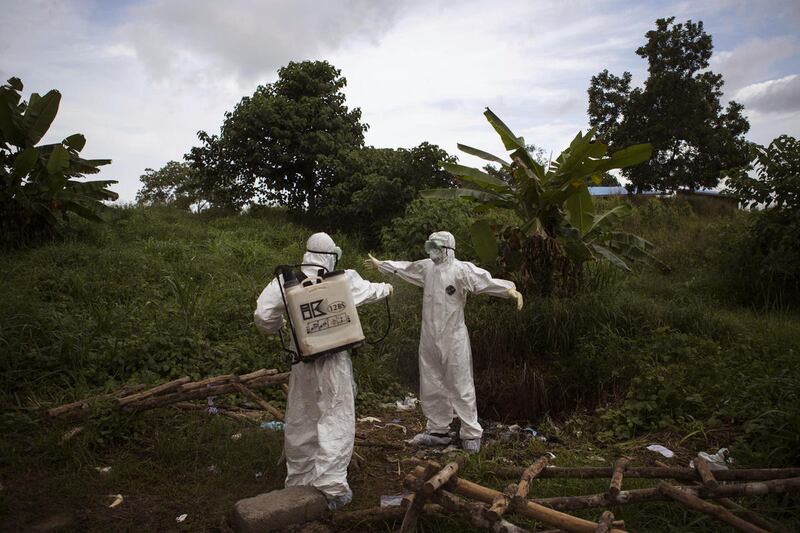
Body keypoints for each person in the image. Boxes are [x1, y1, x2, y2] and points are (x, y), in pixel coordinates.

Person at [254, 232, 392, 510]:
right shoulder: (343, 279)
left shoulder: (285, 280)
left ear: (307, 252)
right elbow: (371, 291)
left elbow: (263, 315)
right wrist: (388, 288)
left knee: (302, 418)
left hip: (302, 359)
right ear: (332, 255)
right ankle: (330, 487)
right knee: (335, 417)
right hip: (335, 361)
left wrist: (279, 325)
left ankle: (299, 483)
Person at [365, 231, 522, 454]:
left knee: (460, 383)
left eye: (436, 246)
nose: (431, 251)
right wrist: (383, 265)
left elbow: (483, 281)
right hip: (429, 335)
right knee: (431, 382)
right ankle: (438, 430)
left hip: (454, 336)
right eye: (429, 246)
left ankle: (470, 432)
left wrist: (509, 291)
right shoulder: (427, 268)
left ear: (448, 248)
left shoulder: (461, 269)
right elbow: (406, 268)